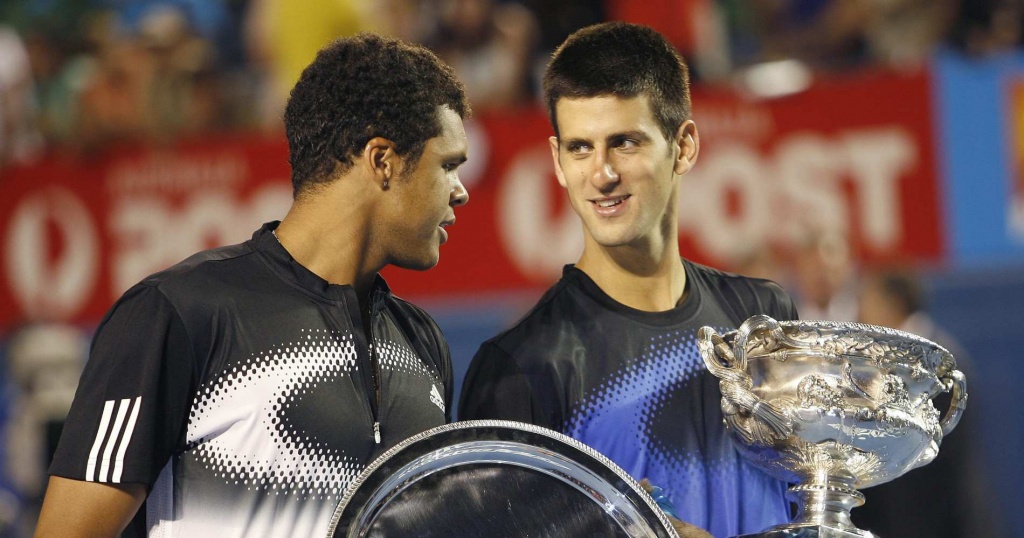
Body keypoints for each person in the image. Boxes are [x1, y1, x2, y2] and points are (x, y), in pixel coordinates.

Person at [35, 33, 470, 537]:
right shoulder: (175, 312)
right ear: (381, 160)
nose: (460, 191)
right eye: (448, 165)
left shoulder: (423, 343)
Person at [459, 22, 799, 538]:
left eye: (624, 142)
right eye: (579, 148)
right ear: (556, 159)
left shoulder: (763, 322)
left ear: (683, 146)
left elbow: (808, 507)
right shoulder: (522, 368)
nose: (601, 174)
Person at [852, 268, 1006, 538]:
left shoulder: (938, 366)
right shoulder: (897, 359)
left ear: (892, 305)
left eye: (868, 300)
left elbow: (937, 458)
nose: (861, 311)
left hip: (940, 520)